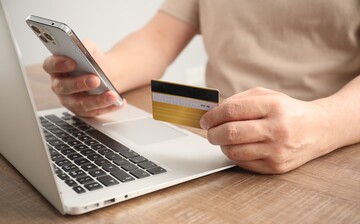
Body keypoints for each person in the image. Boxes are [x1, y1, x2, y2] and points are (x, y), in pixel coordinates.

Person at [42, 0, 360, 174]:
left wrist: (321, 125)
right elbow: (158, 38)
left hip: (334, 153)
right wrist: (98, 75)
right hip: (217, 142)